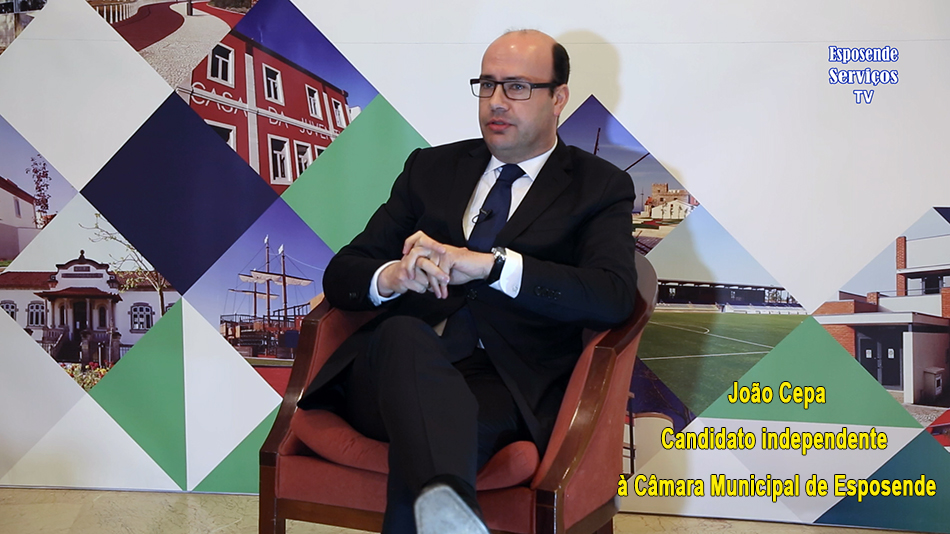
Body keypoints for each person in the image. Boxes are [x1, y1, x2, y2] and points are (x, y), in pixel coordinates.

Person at [298, 29, 638, 534]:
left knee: (434, 449)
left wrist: (492, 266)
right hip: (389, 371)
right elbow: (343, 273)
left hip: (503, 384)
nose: (496, 102)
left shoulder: (599, 187)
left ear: (558, 97)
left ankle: (446, 509)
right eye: (487, 85)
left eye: (517, 87)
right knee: (402, 334)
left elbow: (612, 296)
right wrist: (394, 276)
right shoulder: (431, 168)